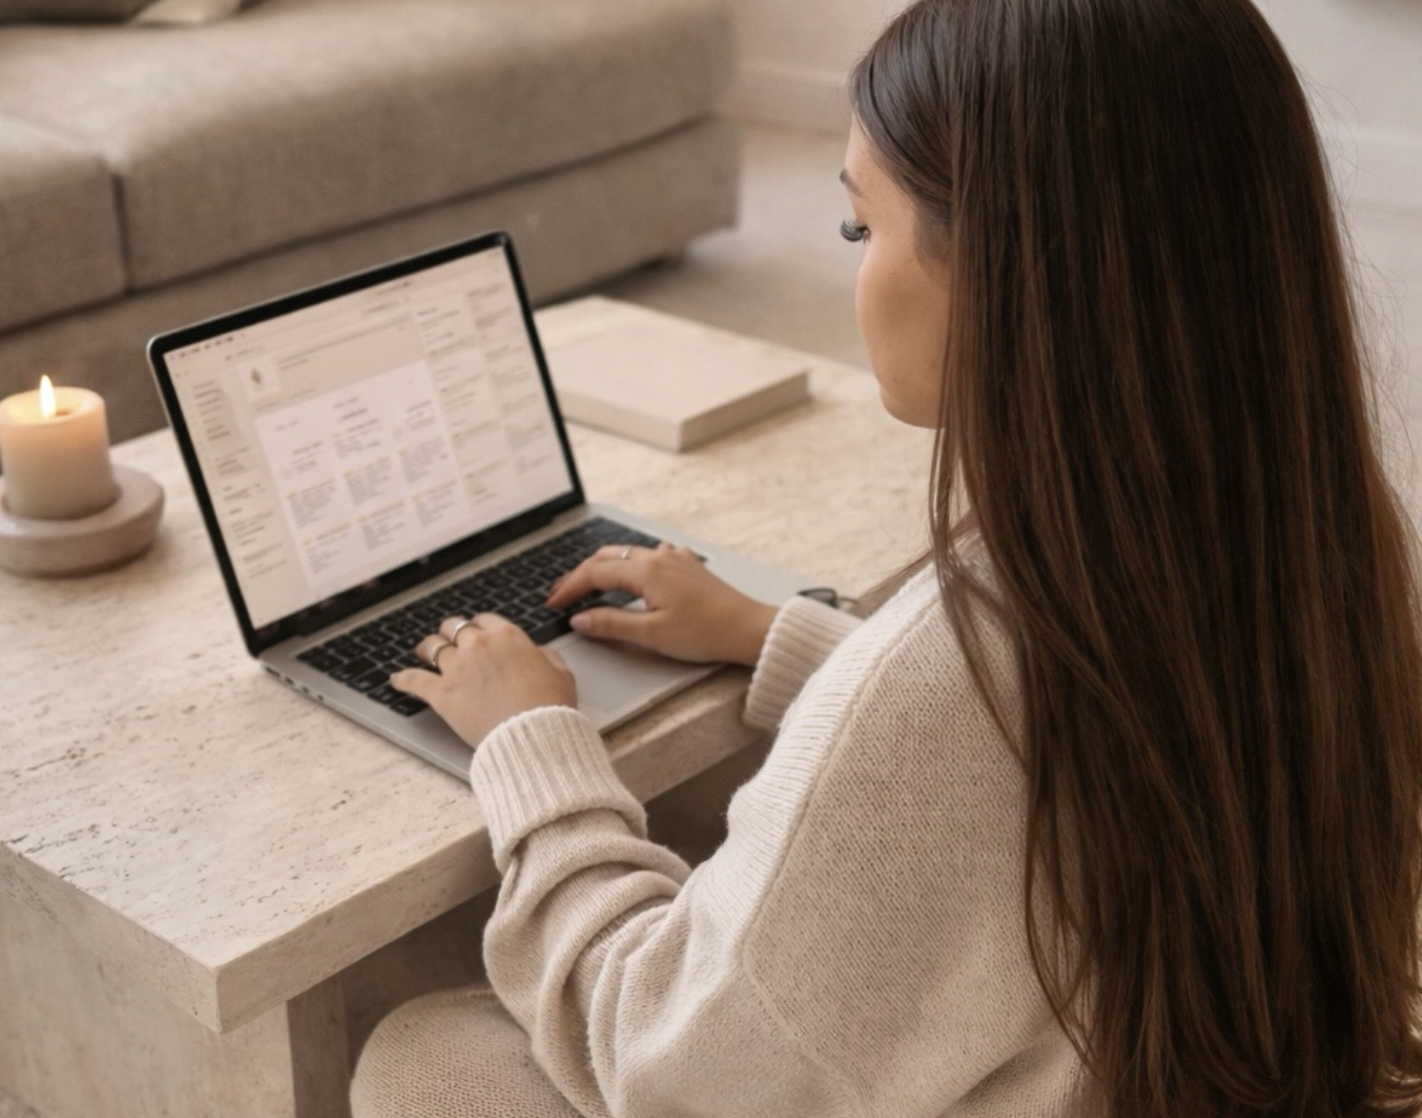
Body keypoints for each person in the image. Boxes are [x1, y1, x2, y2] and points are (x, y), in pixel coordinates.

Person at [350, 0, 1422, 1114]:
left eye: (863, 227)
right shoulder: (1318, 533)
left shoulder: (942, 678)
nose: (854, 275)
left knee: (420, 1049)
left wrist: (538, 752)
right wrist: (785, 637)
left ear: (1008, 268)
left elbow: (669, 1071)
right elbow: (1055, 732)